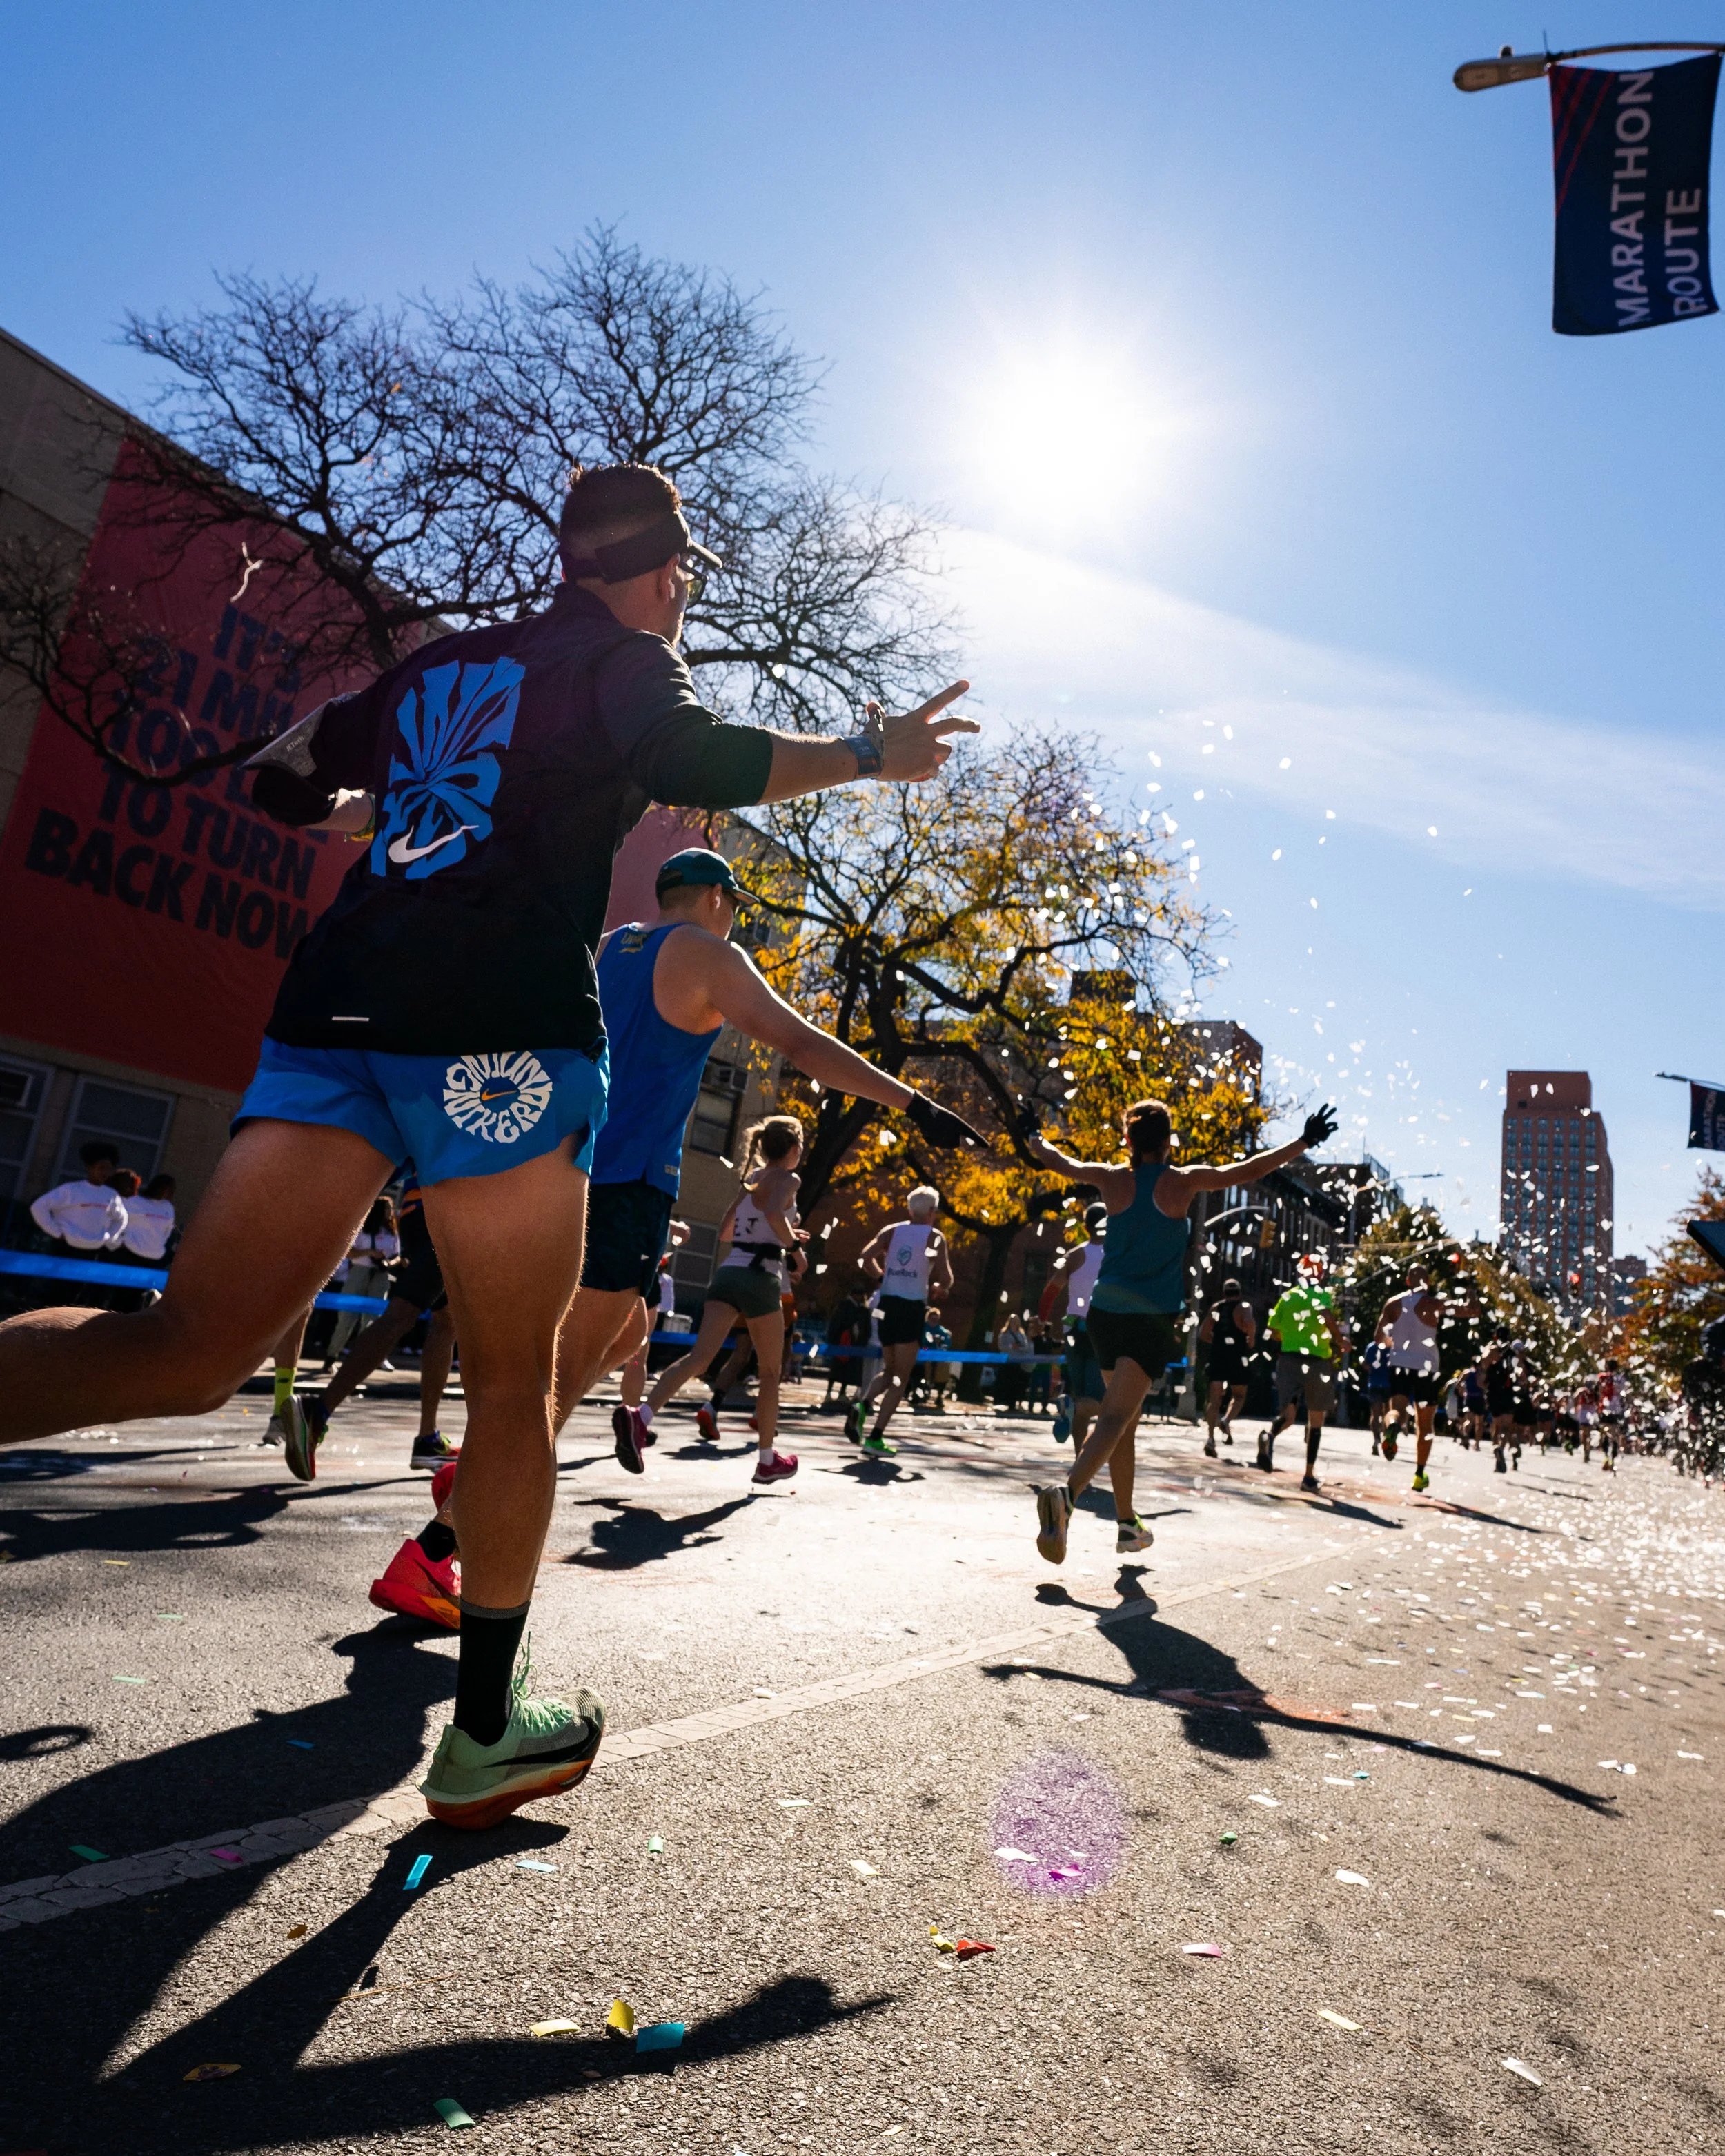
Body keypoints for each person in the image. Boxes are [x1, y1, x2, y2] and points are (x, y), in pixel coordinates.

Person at [0, 458, 977, 1833]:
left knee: (184, 1344)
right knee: (515, 1382)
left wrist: (383, 812)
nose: (684, 595)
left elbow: (286, 783)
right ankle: (485, 1733)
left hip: (338, 1006)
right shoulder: (624, 659)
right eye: (683, 573)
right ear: (655, 568)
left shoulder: (441, 666)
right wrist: (874, 752)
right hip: (499, 1036)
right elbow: (697, 760)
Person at [546, 847, 982, 1472]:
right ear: (716, 898)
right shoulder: (708, 953)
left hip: (564, 1167)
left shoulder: (608, 947)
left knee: (625, 1336)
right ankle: (449, 1526)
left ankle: (486, 1468)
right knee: (553, 1392)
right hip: (630, 1183)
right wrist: (914, 1104)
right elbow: (803, 1044)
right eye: (734, 909)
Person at [1023, 1098, 1337, 1563]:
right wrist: (1304, 1141)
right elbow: (1247, 1170)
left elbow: (1058, 1161)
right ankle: (1065, 1496)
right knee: (1115, 1418)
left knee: (1120, 1420)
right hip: (1149, 1319)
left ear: (1129, 1139)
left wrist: (1032, 1135)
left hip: (1104, 1316)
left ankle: (1127, 1524)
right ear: (1168, 1140)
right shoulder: (1183, 1182)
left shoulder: (1111, 1178)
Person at [627, 1115, 807, 1483]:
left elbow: (726, 1230)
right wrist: (794, 1246)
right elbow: (773, 1213)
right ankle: (767, 1459)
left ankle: (640, 1418)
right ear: (793, 1149)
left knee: (698, 1358)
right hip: (761, 1278)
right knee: (771, 1372)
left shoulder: (750, 1180)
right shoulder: (788, 1178)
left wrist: (775, 1231)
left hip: (728, 1273)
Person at [294, 1167, 462, 1473]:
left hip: (416, 1211)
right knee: (401, 1315)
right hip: (448, 1212)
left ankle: (428, 1438)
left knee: (446, 1321)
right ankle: (317, 1412)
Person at [845, 1188, 956, 1455]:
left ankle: (862, 1404)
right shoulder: (934, 1236)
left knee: (891, 1369)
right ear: (932, 1212)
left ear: (910, 1210)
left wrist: (882, 1277)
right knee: (900, 1380)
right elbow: (947, 1277)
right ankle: (875, 1436)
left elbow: (864, 1257)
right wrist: (941, 1287)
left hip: (886, 1305)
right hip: (911, 1307)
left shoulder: (892, 1231)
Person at [1260, 1252, 1347, 1491]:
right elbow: (1327, 1316)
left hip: (1288, 1360)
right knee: (1316, 1420)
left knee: (1288, 1415)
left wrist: (1290, 1337)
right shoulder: (1320, 1294)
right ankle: (1308, 1476)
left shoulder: (1288, 1297)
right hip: (1317, 1361)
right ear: (1319, 1273)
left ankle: (1269, 1436)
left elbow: (1272, 1330)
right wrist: (1340, 1341)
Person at [1375, 1264, 1443, 1494]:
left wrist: (1396, 1344)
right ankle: (1419, 1474)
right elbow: (1467, 1310)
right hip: (1427, 1366)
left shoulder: (1393, 1304)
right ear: (1427, 1282)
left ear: (1407, 1281)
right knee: (1425, 1425)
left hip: (1400, 1363)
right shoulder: (1433, 1304)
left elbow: (1379, 1338)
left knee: (1398, 1410)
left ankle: (1394, 1424)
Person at [1045, 1203, 1108, 1446]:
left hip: (1073, 1332)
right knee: (1099, 1403)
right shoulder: (1116, 1257)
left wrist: (1042, 1320)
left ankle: (1078, 1461)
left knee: (1082, 1401)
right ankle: (1068, 1405)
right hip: (1100, 1334)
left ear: (1085, 1227)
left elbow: (1050, 1291)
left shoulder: (1074, 1256)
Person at [322, 1196, 401, 1365]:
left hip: (381, 1275)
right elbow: (349, 1253)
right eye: (386, 1209)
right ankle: (332, 1355)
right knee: (347, 1318)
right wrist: (370, 1253)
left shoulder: (391, 1232)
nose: (389, 1213)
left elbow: (397, 1256)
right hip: (359, 1272)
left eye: (391, 1209)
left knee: (374, 1319)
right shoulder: (362, 1229)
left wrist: (388, 1262)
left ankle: (366, 1359)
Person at [30, 1140, 126, 1261]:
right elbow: (38, 1207)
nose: (105, 1173)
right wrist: (56, 1233)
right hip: (66, 1247)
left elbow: (121, 1218)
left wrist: (109, 1237)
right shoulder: (71, 1189)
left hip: (93, 1250)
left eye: (109, 1169)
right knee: (59, 1279)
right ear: (89, 1168)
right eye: (101, 1168)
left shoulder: (111, 1195)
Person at [1199, 1278, 1255, 1458]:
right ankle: (1226, 1420)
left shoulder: (1216, 1307)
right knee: (1239, 1396)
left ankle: (1210, 1439)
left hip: (1217, 1357)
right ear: (1240, 1293)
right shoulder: (1244, 1307)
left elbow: (1203, 1333)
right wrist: (1251, 1339)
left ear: (1224, 1293)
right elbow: (1250, 1322)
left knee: (1214, 1399)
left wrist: (1216, 1342)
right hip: (1237, 1356)